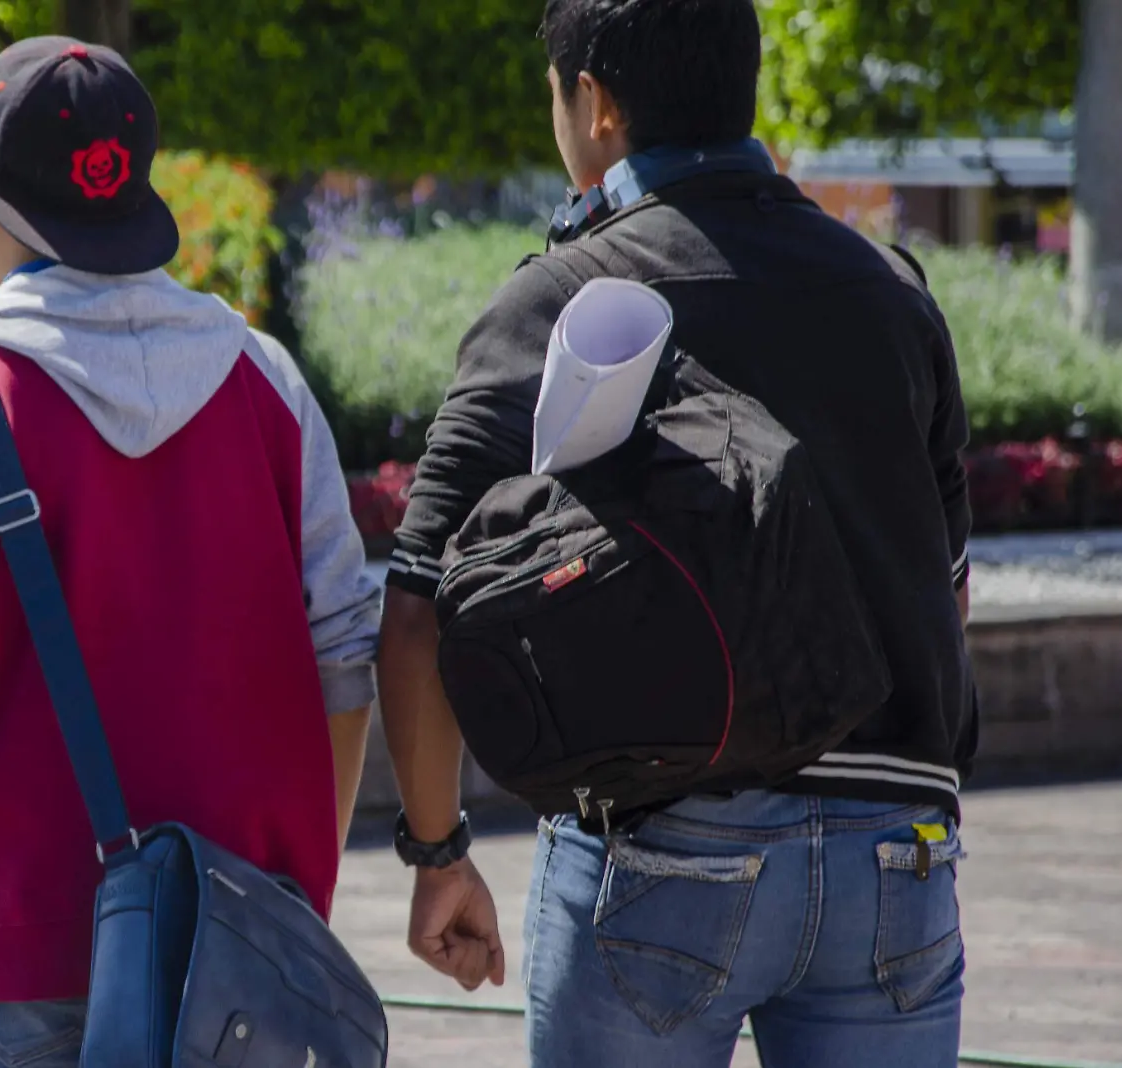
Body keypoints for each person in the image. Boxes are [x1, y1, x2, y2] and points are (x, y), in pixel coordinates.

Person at [376, 2, 977, 1065]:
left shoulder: (555, 299)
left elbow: (419, 608)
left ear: (595, 104)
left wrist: (437, 850)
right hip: (896, 859)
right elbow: (948, 593)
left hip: (656, 849)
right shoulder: (891, 294)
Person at [0, 36, 380, 1068]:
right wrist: (298, 882)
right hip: (245, 929)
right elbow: (346, 650)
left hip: (20, 925)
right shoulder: (268, 383)